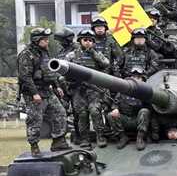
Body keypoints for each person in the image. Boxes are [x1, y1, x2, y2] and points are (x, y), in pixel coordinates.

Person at [16, 27, 69, 156]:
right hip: (33, 92)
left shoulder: (45, 53)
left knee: (60, 112)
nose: (47, 42)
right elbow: (25, 77)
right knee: (36, 120)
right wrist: (34, 93)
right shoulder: (26, 55)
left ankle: (58, 141)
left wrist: (57, 86)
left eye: (47, 39)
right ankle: (34, 146)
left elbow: (49, 72)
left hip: (47, 90)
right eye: (44, 40)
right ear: (36, 40)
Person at [68, 30, 115, 147]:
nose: (88, 42)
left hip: (94, 90)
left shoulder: (97, 54)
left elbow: (106, 63)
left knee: (95, 111)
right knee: (82, 114)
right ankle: (85, 139)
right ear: (80, 41)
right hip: (79, 90)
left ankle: (100, 136)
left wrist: (93, 53)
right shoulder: (72, 55)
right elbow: (65, 72)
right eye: (85, 40)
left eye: (90, 40)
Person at [105, 67, 154, 149]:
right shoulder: (124, 90)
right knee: (111, 115)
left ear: (142, 78)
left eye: (138, 77)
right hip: (126, 119)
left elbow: (150, 108)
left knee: (144, 111)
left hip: (139, 120)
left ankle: (140, 138)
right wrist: (115, 108)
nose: (135, 79)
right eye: (133, 77)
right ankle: (122, 137)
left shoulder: (146, 91)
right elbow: (115, 102)